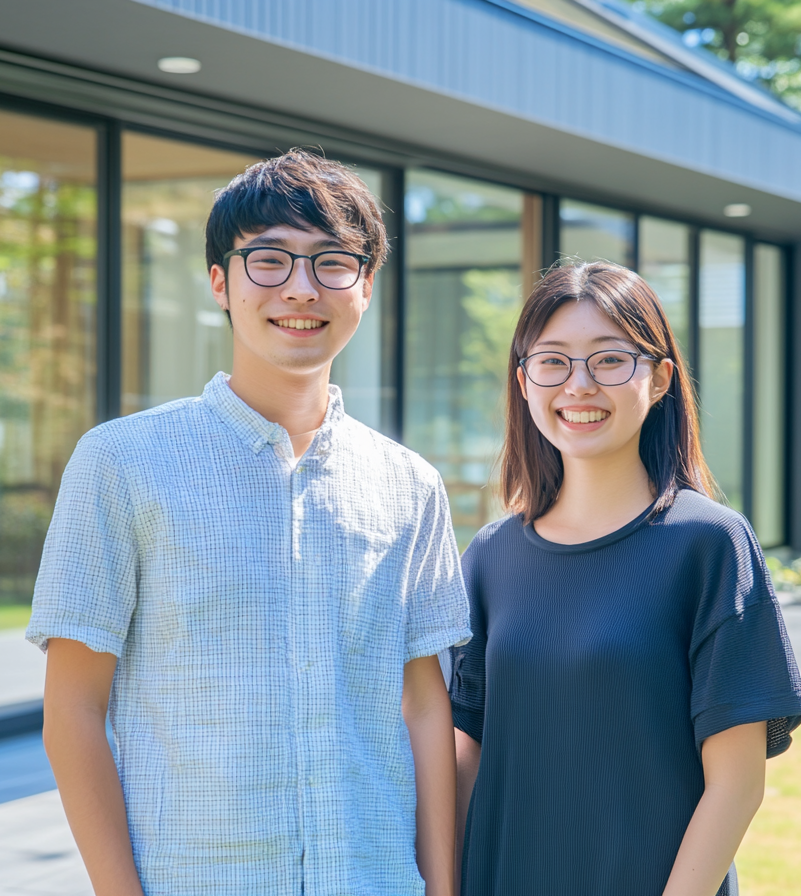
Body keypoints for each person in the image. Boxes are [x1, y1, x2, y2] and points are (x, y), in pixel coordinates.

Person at [28, 149, 470, 896]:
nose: (301, 288)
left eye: (333, 262)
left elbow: (426, 708)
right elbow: (73, 708)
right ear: (219, 283)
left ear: (365, 286)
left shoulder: (410, 485)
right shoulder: (121, 463)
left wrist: (442, 887)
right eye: (269, 260)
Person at [450, 262, 801, 896]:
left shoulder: (709, 544)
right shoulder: (489, 556)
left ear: (661, 378)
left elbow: (737, 783)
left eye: (609, 361)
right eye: (553, 362)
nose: (579, 385)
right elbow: (465, 752)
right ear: (525, 382)